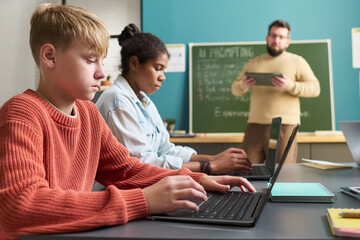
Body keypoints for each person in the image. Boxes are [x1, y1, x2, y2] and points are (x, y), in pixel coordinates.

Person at [0, 4, 255, 240]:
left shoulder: (87, 113)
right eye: (90, 60)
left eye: (101, 61)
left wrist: (194, 179)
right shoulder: (22, 113)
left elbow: (126, 171)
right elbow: (21, 206)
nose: (101, 73)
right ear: (50, 57)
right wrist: (143, 200)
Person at [96, 24, 252, 175]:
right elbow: (144, 163)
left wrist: (213, 158)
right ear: (134, 63)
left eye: (164, 70)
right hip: (112, 191)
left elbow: (166, 150)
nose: (163, 77)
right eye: (157, 68)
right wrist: (210, 166)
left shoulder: (143, 101)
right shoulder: (117, 101)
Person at [231, 20, 320, 164]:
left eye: (281, 37)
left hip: (285, 126)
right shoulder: (254, 62)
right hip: (255, 126)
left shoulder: (297, 61)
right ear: (267, 38)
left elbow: (315, 88)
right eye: (273, 36)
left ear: (288, 42)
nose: (276, 40)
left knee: (283, 175)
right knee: (247, 172)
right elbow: (234, 89)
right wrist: (243, 85)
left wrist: (290, 86)